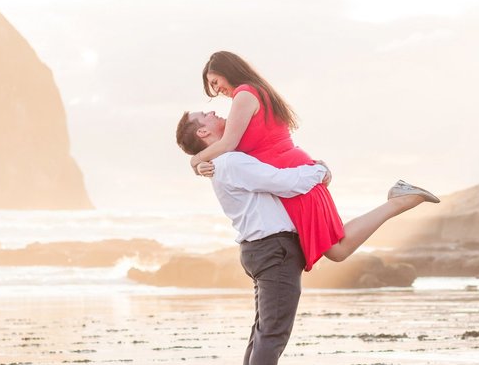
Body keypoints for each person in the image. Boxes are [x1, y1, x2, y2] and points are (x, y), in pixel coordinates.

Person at [186, 50, 439, 270]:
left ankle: (399, 201)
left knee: (337, 249)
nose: (216, 89)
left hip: (290, 172)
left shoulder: (244, 95)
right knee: (336, 248)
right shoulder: (256, 92)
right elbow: (229, 150)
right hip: (293, 167)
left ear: (227, 71)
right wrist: (206, 164)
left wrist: (195, 160)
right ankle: (399, 199)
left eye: (215, 81)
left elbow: (228, 144)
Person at [175, 109, 331, 365]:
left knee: (261, 334)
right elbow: (284, 183)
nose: (214, 111)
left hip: (261, 249)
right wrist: (320, 170)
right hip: (273, 249)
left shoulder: (224, 162)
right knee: (271, 334)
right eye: (205, 115)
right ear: (203, 134)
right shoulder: (231, 162)